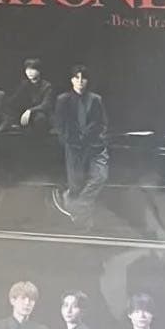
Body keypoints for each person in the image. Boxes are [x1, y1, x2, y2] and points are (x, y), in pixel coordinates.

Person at [52, 65, 108, 230]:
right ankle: (82, 222)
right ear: (71, 80)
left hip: (95, 146)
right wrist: (67, 141)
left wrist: (100, 138)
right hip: (74, 147)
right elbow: (59, 124)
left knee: (100, 177)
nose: (80, 81)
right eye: (77, 78)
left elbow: (103, 123)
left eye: (83, 78)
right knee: (76, 185)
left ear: (87, 81)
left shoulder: (96, 99)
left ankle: (75, 207)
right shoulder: (63, 99)